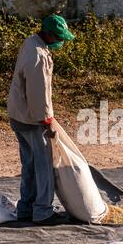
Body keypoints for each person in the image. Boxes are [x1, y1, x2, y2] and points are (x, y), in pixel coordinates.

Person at [7, 14, 75, 225]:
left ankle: (26, 208)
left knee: (29, 163)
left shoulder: (30, 42)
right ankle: (43, 211)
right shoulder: (38, 55)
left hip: (18, 115)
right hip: (32, 119)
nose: (59, 41)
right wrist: (47, 121)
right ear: (48, 34)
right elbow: (39, 93)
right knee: (43, 165)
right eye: (58, 36)